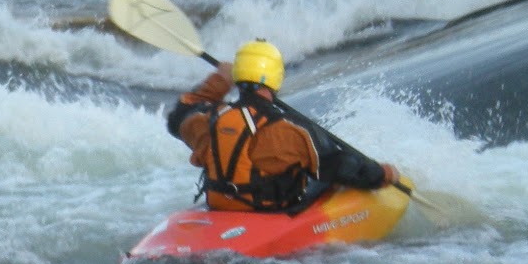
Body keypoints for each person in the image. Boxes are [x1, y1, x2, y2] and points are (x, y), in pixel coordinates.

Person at [166, 38, 402, 212]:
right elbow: (341, 166)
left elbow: (178, 117)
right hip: (269, 214)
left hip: (220, 210)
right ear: (276, 78)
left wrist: (220, 80)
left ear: (237, 76)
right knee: (324, 179)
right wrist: (382, 174)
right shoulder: (291, 131)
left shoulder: (207, 120)